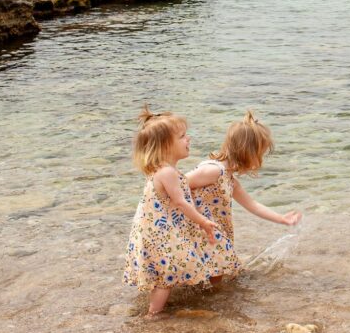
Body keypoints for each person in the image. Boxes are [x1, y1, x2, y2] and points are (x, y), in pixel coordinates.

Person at [123, 106, 221, 317]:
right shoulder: (167, 172)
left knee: (168, 270)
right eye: (182, 136)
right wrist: (203, 222)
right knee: (166, 277)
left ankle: (162, 306)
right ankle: (153, 315)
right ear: (166, 145)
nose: (189, 139)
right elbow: (181, 203)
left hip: (158, 231)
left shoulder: (164, 170)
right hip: (159, 235)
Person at [187, 111, 302, 283]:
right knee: (214, 271)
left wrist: (281, 219)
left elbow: (252, 205)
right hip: (200, 229)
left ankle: (207, 304)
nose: (260, 159)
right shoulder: (213, 170)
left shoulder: (229, 180)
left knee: (218, 271)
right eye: (260, 154)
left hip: (214, 233)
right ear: (247, 152)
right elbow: (177, 184)